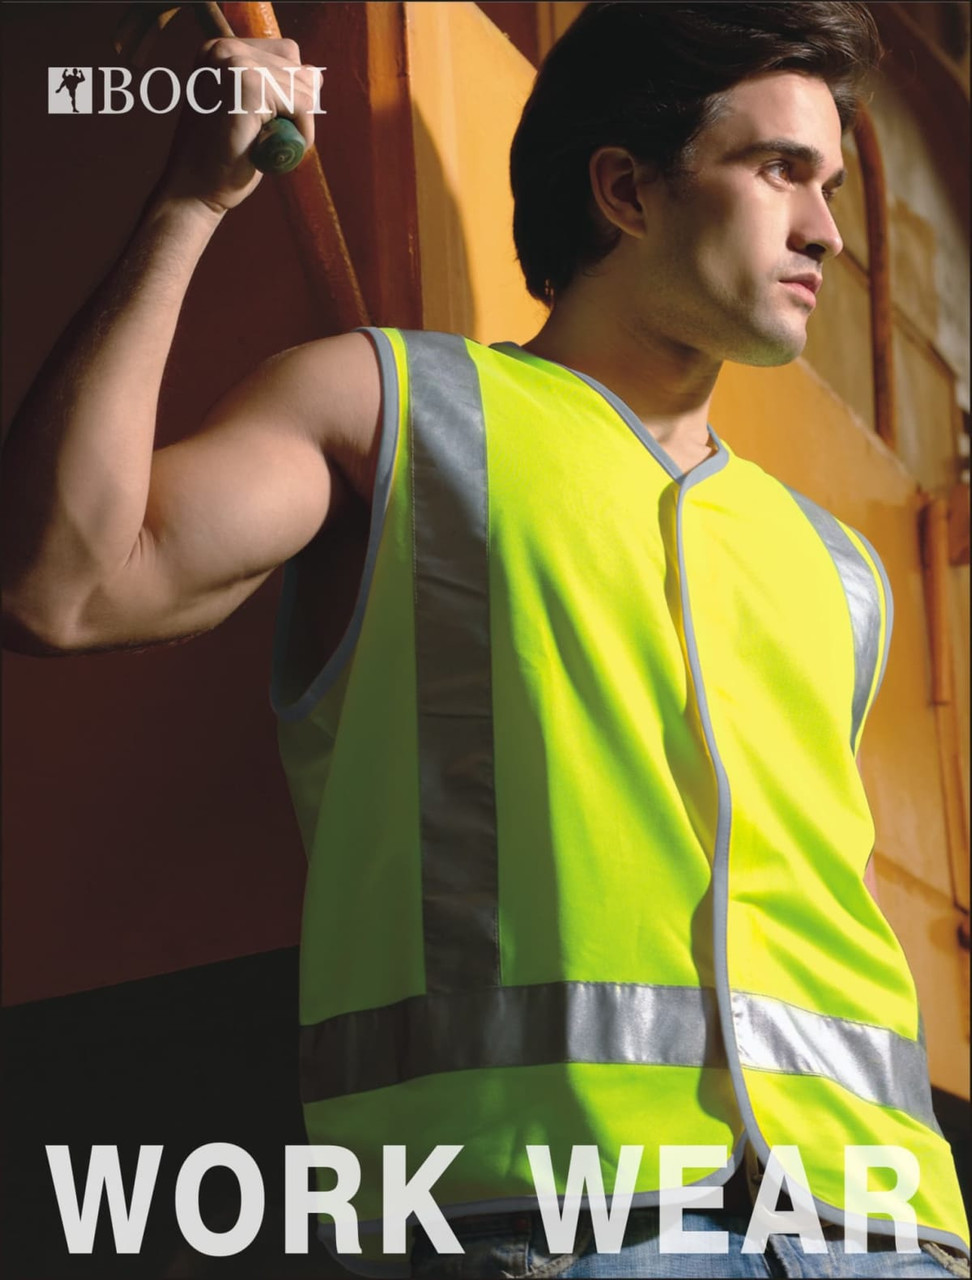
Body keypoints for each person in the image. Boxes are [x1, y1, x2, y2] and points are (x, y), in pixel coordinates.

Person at [1, 4, 968, 1277]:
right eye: (779, 168)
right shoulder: (392, 411)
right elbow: (63, 583)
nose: (828, 231)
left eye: (834, 183)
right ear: (625, 189)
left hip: (887, 1233)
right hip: (539, 1225)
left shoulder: (843, 575)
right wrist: (192, 204)